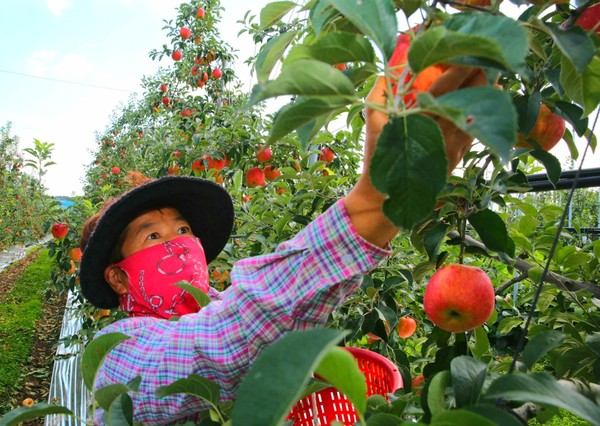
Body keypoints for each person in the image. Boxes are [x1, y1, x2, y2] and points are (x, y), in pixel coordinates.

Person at [78, 66, 487, 425]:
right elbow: (214, 347)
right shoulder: (115, 354)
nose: (178, 244)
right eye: (153, 236)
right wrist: (369, 206)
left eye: (183, 230)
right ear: (118, 277)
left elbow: (268, 318)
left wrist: (383, 212)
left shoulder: (220, 302)